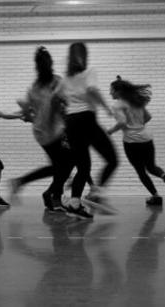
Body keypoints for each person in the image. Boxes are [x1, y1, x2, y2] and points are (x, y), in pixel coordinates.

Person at [55, 42, 118, 220]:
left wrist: (63, 114)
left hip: (71, 122)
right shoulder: (89, 71)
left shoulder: (65, 78)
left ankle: (74, 205)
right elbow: (92, 89)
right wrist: (106, 107)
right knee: (112, 159)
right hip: (86, 120)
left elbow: (56, 96)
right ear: (84, 55)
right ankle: (96, 193)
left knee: (83, 166)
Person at [12, 46, 71, 212]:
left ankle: (46, 193)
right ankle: (55, 197)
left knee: (59, 166)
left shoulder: (34, 88)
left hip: (41, 132)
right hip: (55, 131)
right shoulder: (57, 82)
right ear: (50, 64)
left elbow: (27, 116)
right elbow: (66, 104)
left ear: (36, 67)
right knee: (65, 165)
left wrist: (30, 114)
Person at [108, 76, 165, 206]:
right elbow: (148, 117)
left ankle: (155, 196)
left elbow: (122, 122)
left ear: (118, 91)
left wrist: (111, 131)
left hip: (131, 142)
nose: (109, 93)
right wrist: (138, 125)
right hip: (146, 138)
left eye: (111, 90)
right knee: (151, 167)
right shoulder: (136, 101)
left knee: (141, 170)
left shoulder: (117, 105)